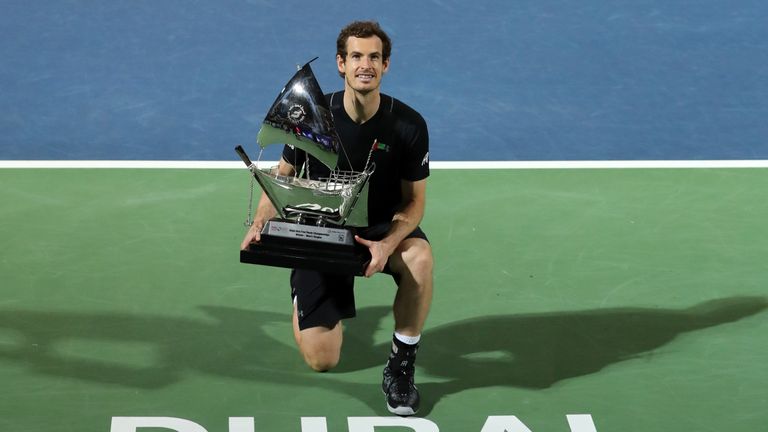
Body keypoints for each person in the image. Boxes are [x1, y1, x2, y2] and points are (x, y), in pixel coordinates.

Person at [240, 20, 432, 416]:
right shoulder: (313, 115)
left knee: (420, 259)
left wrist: (386, 244)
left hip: (379, 227)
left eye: (374, 57)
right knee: (322, 360)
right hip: (321, 229)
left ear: (386, 65)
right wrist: (261, 223)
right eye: (356, 56)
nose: (366, 65)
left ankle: (400, 366)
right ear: (341, 64)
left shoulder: (409, 125)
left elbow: (414, 203)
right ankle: (305, 294)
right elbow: (281, 177)